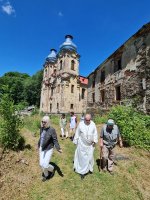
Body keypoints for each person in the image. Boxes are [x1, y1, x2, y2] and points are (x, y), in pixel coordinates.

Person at [73, 113, 98, 179]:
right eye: (86, 120)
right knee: (83, 158)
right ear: (84, 119)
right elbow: (77, 133)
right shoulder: (81, 124)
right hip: (82, 144)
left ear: (90, 119)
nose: (87, 121)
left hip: (90, 145)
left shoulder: (93, 124)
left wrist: (95, 140)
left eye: (89, 120)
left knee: (90, 157)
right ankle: (82, 172)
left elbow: (95, 133)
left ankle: (89, 168)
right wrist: (75, 140)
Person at [38, 115, 62, 181]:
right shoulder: (41, 128)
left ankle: (52, 168)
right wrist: (39, 146)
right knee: (41, 164)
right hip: (42, 147)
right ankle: (46, 175)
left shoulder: (52, 130)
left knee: (45, 165)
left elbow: (55, 140)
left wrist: (58, 148)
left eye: (45, 122)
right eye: (42, 121)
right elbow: (41, 137)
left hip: (49, 148)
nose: (43, 123)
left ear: (48, 122)